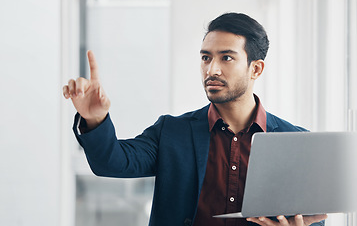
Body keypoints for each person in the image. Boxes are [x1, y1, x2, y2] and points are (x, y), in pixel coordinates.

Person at [63, 13, 327, 226]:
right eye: (206, 57)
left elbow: (312, 220)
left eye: (226, 58)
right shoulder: (171, 131)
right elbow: (111, 163)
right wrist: (95, 119)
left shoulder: (294, 141)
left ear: (255, 68)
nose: (211, 69)